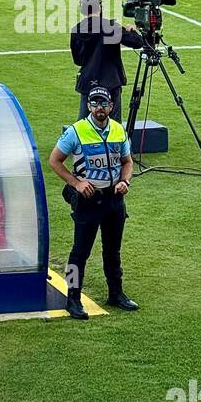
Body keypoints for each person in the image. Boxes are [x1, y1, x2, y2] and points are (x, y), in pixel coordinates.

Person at [48, 88, 137, 320]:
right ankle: (73, 298)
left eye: (104, 103)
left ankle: (116, 293)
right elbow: (54, 160)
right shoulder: (76, 132)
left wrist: (125, 181)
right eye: (95, 103)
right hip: (89, 201)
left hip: (114, 200)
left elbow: (128, 162)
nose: (100, 107)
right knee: (79, 252)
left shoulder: (118, 130)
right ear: (88, 106)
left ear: (111, 106)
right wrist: (76, 183)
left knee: (112, 250)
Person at [71, 0, 144, 120]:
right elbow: (137, 42)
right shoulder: (110, 27)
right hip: (110, 81)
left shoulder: (77, 30)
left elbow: (78, 60)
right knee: (114, 125)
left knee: (83, 125)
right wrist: (132, 30)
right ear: (99, 7)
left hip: (88, 81)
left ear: (83, 10)